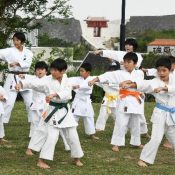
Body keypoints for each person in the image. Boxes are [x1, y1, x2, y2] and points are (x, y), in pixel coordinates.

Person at [16, 58, 84, 169]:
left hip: (65, 111)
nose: (52, 72)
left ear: (63, 71)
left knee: (73, 135)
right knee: (52, 136)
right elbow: (34, 83)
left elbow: (67, 93)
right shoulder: (47, 80)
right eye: (51, 70)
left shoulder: (67, 80)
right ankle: (41, 160)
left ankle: (77, 158)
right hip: (53, 110)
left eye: (55, 70)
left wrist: (55, 95)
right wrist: (21, 84)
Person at [122, 57, 175, 167]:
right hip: (160, 114)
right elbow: (143, 84)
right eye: (159, 70)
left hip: (172, 114)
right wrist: (131, 85)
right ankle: (144, 159)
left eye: (164, 70)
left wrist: (165, 89)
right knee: (156, 138)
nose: (161, 73)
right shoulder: (155, 82)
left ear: (170, 70)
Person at [89, 52, 144, 152]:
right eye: (125, 62)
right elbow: (105, 76)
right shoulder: (119, 73)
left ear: (135, 64)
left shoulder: (140, 73)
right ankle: (116, 143)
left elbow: (140, 83)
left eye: (129, 62)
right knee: (121, 122)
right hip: (124, 100)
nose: (126, 64)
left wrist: (129, 84)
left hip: (136, 101)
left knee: (136, 123)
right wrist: (94, 80)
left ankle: (136, 142)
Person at [0, 31, 33, 123]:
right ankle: (2, 121)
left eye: (17, 40)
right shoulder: (9, 51)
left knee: (30, 102)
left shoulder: (28, 53)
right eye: (14, 40)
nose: (15, 42)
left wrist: (17, 63)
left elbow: (28, 64)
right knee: (8, 102)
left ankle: (33, 120)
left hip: (25, 78)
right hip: (12, 77)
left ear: (22, 41)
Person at [69, 63, 99, 139]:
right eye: (80, 71)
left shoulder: (92, 79)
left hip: (86, 101)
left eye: (82, 71)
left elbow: (89, 85)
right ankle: (69, 132)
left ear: (88, 72)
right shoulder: (76, 79)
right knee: (73, 116)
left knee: (89, 117)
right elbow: (67, 81)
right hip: (78, 100)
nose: (80, 72)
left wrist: (78, 86)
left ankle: (91, 133)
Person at [95, 61, 120, 131]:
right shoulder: (105, 77)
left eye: (114, 70)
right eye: (111, 69)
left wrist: (110, 84)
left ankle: (121, 128)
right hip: (107, 99)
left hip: (117, 100)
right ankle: (99, 128)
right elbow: (97, 80)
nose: (112, 71)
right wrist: (92, 80)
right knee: (102, 114)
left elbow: (121, 86)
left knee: (118, 116)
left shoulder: (121, 79)